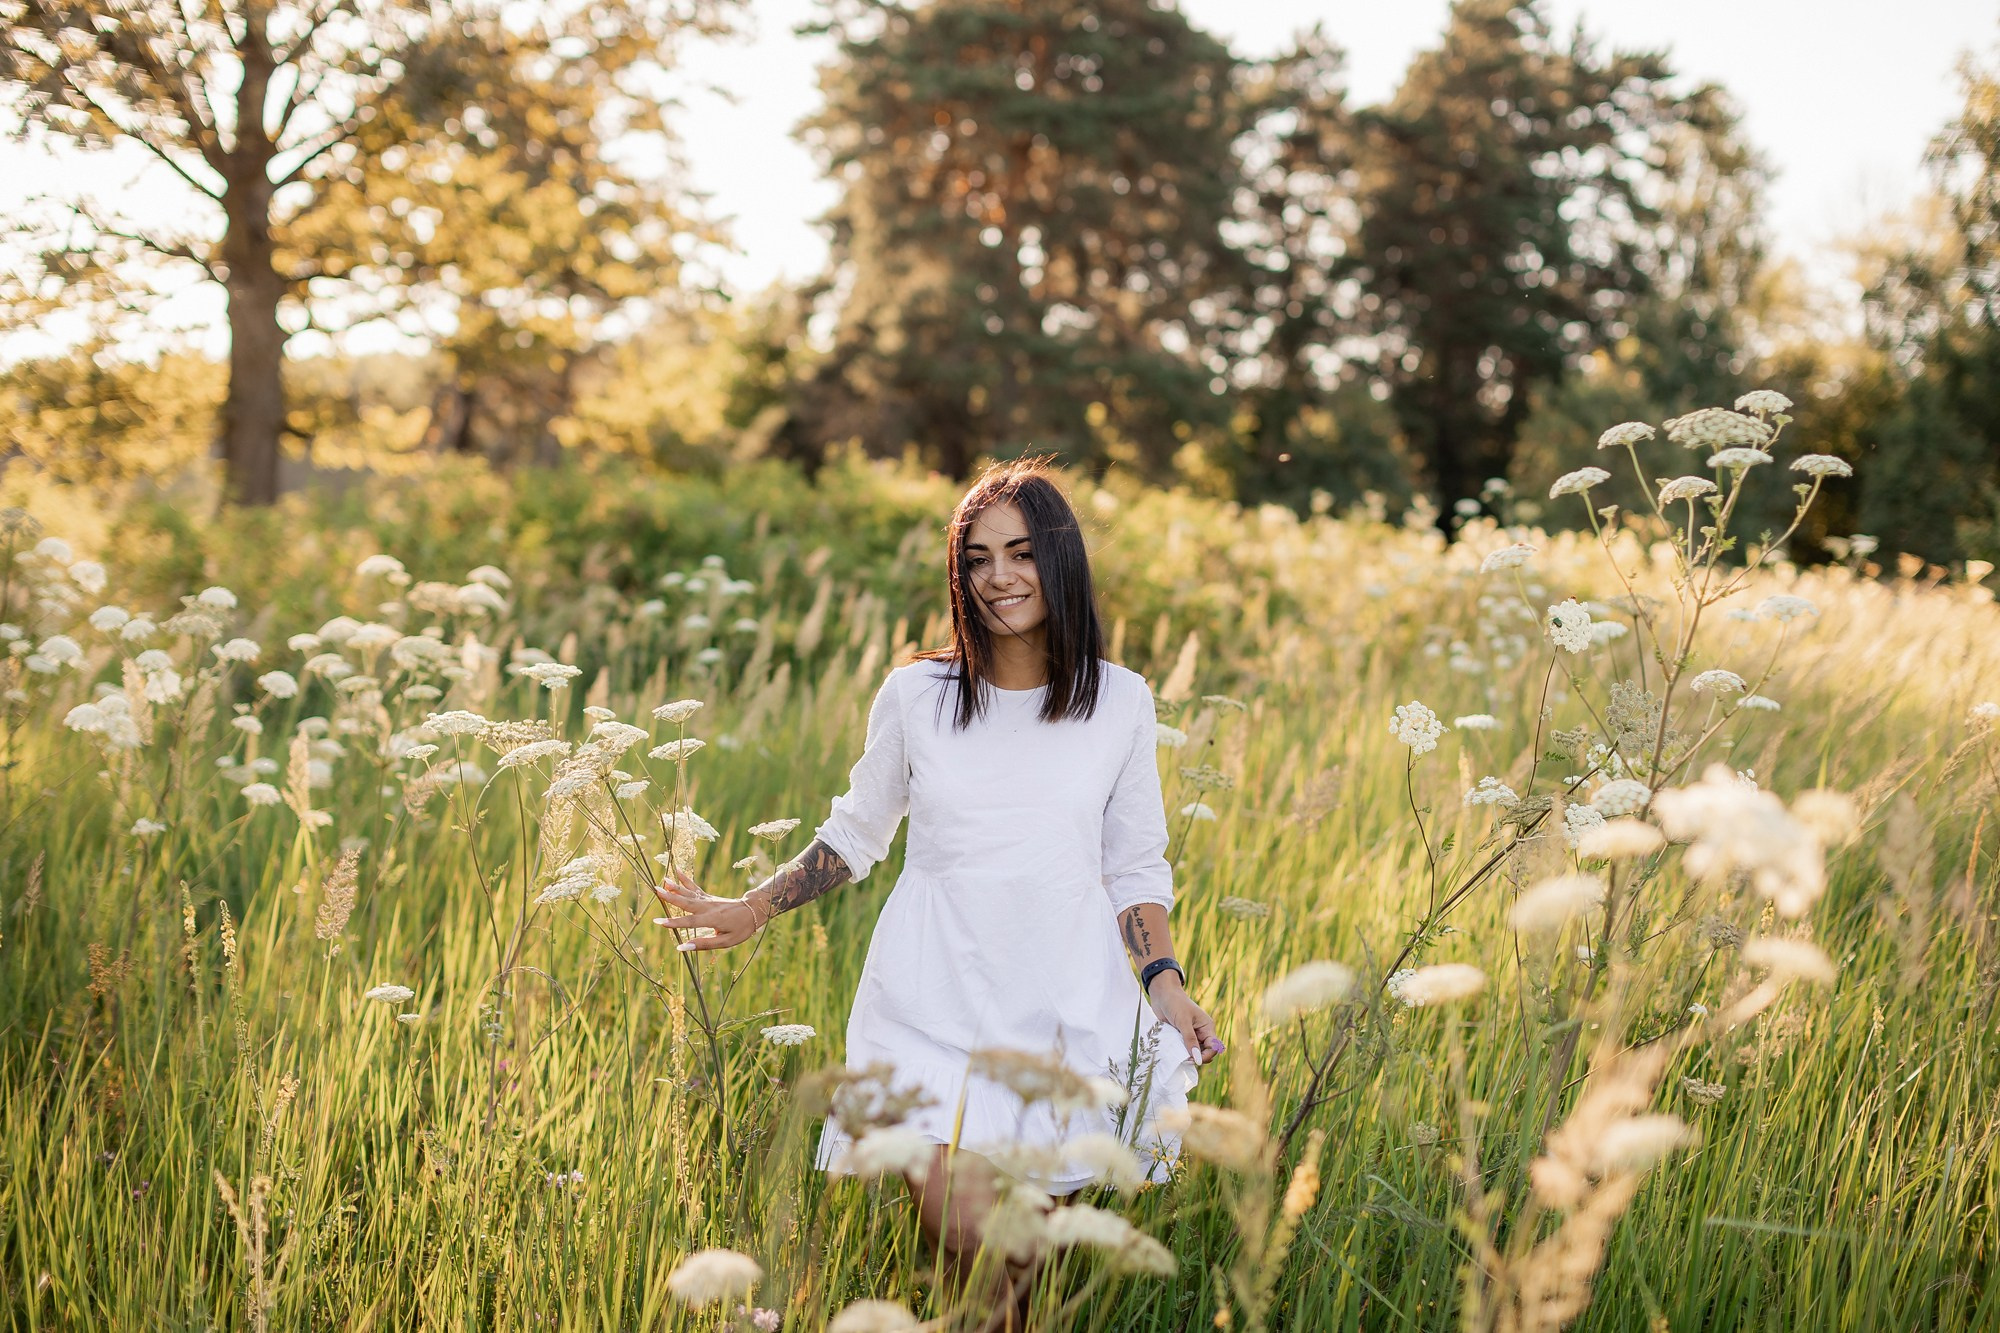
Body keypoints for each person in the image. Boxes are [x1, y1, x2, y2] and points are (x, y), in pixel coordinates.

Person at [650, 458, 1223, 1327]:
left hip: (1067, 1007)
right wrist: (749, 907)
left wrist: (1166, 982)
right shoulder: (919, 695)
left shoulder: (1120, 703)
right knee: (974, 1233)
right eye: (978, 558)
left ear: (1060, 560)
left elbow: (1135, 863)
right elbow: (856, 834)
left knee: (1009, 1287)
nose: (999, 577)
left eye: (1022, 553)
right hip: (933, 998)